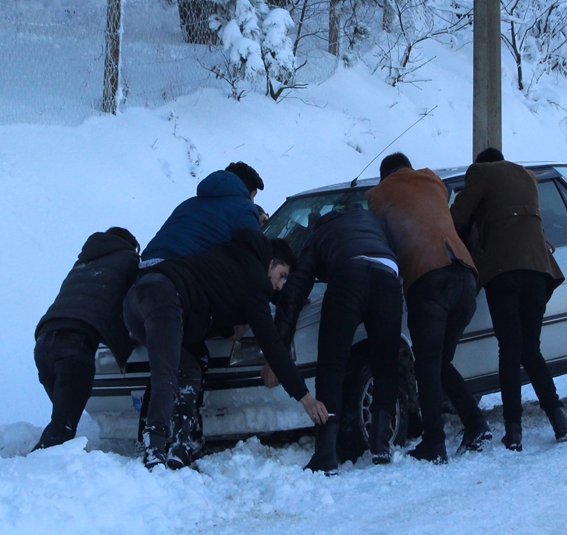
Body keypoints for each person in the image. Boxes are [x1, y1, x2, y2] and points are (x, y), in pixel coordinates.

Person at [123, 228, 327, 469]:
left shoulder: (232, 255)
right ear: (270, 262)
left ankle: (182, 445)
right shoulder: (254, 279)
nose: (281, 285)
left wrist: (230, 328)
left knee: (188, 369)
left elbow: (212, 295)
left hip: (136, 300)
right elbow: (272, 345)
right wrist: (306, 398)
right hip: (164, 298)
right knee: (165, 374)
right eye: (282, 275)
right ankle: (154, 451)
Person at [451, 148, 567, 450]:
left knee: (509, 348)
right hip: (538, 269)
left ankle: (514, 430)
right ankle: (559, 420)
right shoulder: (527, 175)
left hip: (503, 271)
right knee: (530, 348)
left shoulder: (481, 172)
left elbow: (456, 218)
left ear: (482, 165)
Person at [367, 152, 490, 463]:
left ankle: (434, 443)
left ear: (385, 175)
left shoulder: (379, 194)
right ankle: (476, 424)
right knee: (439, 362)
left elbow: (379, 240)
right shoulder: (433, 180)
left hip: (430, 279)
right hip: (465, 276)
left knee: (427, 364)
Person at [272, 209, 403, 473]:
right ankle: (381, 444)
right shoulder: (374, 222)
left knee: (332, 366)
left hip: (348, 276)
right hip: (387, 276)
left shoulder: (318, 235)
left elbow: (294, 292)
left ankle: (326, 454)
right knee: (386, 364)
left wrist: (279, 349)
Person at [32, 227, 141, 451]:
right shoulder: (128, 259)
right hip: (74, 344)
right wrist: (130, 344)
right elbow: (131, 305)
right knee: (63, 427)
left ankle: (44, 462)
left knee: (63, 418)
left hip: (43, 342)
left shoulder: (82, 263)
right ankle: (32, 467)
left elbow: (91, 304)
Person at [141, 162, 266, 265]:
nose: (253, 201)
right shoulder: (244, 207)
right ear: (246, 190)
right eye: (253, 196)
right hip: (180, 272)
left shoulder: (190, 202)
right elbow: (256, 255)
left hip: (146, 264)